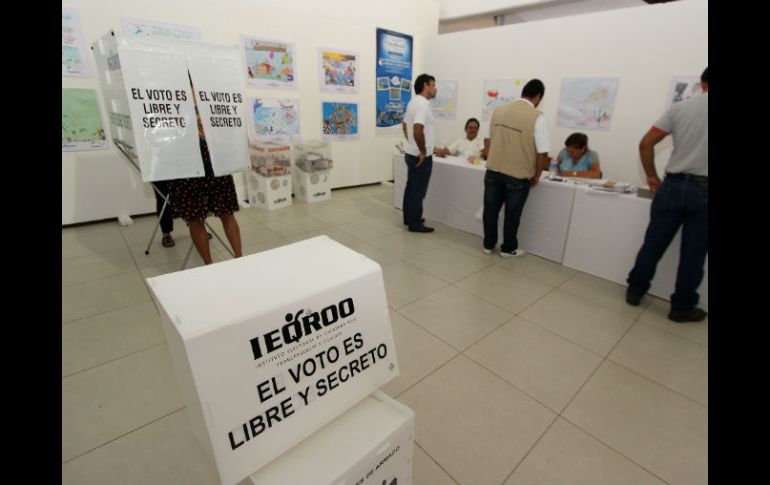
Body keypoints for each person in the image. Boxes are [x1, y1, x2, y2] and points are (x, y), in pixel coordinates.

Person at [626, 67, 708, 323]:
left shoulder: (681, 107)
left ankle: (635, 290)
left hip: (672, 186)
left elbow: (646, 142)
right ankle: (681, 307)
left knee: (653, 243)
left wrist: (651, 176)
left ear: (702, 82)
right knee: (694, 254)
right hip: (705, 192)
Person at [167, 79, 243, 265]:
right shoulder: (170, 101)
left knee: (226, 212)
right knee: (195, 217)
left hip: (214, 159)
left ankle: (241, 260)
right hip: (187, 163)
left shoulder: (210, 98)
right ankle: (208, 265)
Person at [482, 79, 550, 258]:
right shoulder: (537, 116)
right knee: (512, 215)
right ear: (538, 97)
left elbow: (487, 140)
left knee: (490, 210)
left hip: (493, 170)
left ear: (522, 92)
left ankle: (488, 245)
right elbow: (542, 152)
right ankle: (508, 249)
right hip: (517, 176)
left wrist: (492, 158)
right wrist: (537, 175)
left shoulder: (498, 110)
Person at [401, 73, 438, 233]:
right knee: (418, 190)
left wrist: (411, 144)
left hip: (411, 153)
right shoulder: (423, 104)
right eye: (433, 85)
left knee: (411, 187)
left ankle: (409, 217)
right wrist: (422, 151)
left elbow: (404, 124)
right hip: (420, 156)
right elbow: (417, 129)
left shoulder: (413, 101)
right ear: (425, 85)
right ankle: (415, 223)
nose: (435, 88)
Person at [153, 180, 175, 247]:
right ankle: (166, 233)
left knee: (191, 193)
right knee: (163, 198)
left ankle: (198, 227)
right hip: (158, 171)